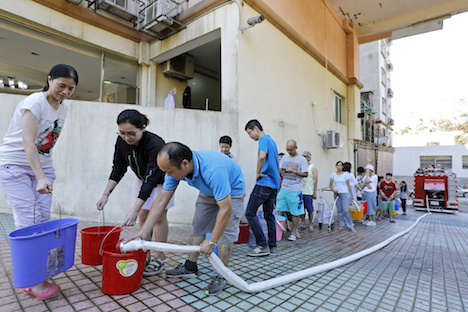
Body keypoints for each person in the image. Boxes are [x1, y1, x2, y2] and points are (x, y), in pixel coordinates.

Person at [0, 64, 78, 300]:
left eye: (71, 88)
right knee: (28, 222)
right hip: (14, 165)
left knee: (42, 222)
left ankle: (39, 272)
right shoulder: (35, 102)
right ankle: (31, 281)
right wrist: (41, 176)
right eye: (61, 85)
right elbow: (28, 142)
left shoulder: (62, 109)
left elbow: (47, 144)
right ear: (49, 79)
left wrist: (45, 174)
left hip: (42, 168)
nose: (65, 91)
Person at [129, 142, 245, 296]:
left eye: (169, 172)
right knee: (198, 227)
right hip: (208, 190)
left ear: (184, 164)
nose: (167, 176)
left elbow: (226, 209)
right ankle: (190, 267)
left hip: (232, 190)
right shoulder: (176, 167)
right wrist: (144, 231)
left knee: (225, 235)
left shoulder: (213, 170)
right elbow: (161, 201)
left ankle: (221, 275)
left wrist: (212, 241)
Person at [96, 109, 174, 276]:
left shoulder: (155, 143)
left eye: (131, 134)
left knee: (158, 218)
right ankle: (143, 251)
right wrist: (105, 194)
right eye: (122, 133)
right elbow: (118, 168)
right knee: (143, 217)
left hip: (161, 181)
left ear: (143, 128)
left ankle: (159, 257)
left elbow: (151, 179)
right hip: (142, 180)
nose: (126, 138)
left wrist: (134, 208)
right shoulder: (121, 141)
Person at [244, 120, 280, 256]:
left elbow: (262, 156)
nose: (250, 136)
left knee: (249, 213)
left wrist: (257, 172)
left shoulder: (263, 139)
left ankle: (261, 244)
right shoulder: (272, 141)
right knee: (269, 215)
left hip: (264, 182)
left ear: (255, 128)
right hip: (273, 185)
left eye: (249, 133)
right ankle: (273, 247)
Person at [276, 140, 308, 241]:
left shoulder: (301, 159)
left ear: (296, 148)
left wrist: (293, 171)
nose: (289, 151)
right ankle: (278, 230)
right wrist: (283, 170)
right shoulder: (285, 157)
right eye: (287, 149)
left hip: (295, 189)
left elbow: (305, 174)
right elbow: (280, 169)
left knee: (295, 212)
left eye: (291, 149)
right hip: (284, 187)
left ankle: (294, 231)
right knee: (279, 209)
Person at [329, 161, 356, 232]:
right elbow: (330, 185)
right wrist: (334, 190)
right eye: (338, 165)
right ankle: (341, 225)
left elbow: (348, 186)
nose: (339, 167)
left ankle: (350, 225)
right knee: (339, 210)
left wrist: (352, 195)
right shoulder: (333, 175)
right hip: (337, 193)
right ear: (336, 166)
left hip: (344, 193)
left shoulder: (345, 175)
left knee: (346, 210)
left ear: (342, 167)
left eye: (340, 166)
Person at [300, 151, 318, 232]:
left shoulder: (313, 167)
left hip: (309, 191)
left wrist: (314, 192)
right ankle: (303, 223)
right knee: (301, 209)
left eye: (305, 156)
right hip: (300, 191)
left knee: (310, 209)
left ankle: (310, 223)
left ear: (309, 158)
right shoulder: (300, 167)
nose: (303, 158)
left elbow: (315, 180)